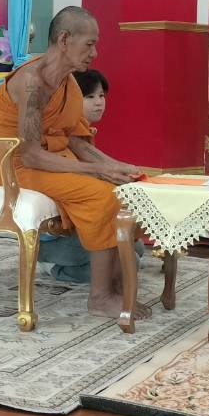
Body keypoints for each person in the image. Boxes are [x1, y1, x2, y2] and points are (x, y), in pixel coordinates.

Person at [0, 8, 148, 319]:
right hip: (11, 164)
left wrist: (117, 166)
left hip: (48, 158)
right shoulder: (32, 83)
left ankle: (115, 283)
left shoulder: (67, 82)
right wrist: (98, 170)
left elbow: (75, 140)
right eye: (90, 44)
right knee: (101, 195)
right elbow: (30, 155)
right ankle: (99, 298)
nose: (95, 53)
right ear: (65, 39)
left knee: (126, 186)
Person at [36, 69, 122, 283]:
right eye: (89, 97)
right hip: (55, 238)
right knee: (124, 258)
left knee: (133, 248)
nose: (99, 103)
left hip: (79, 229)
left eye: (101, 96)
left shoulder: (81, 132)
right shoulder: (60, 132)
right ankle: (50, 265)